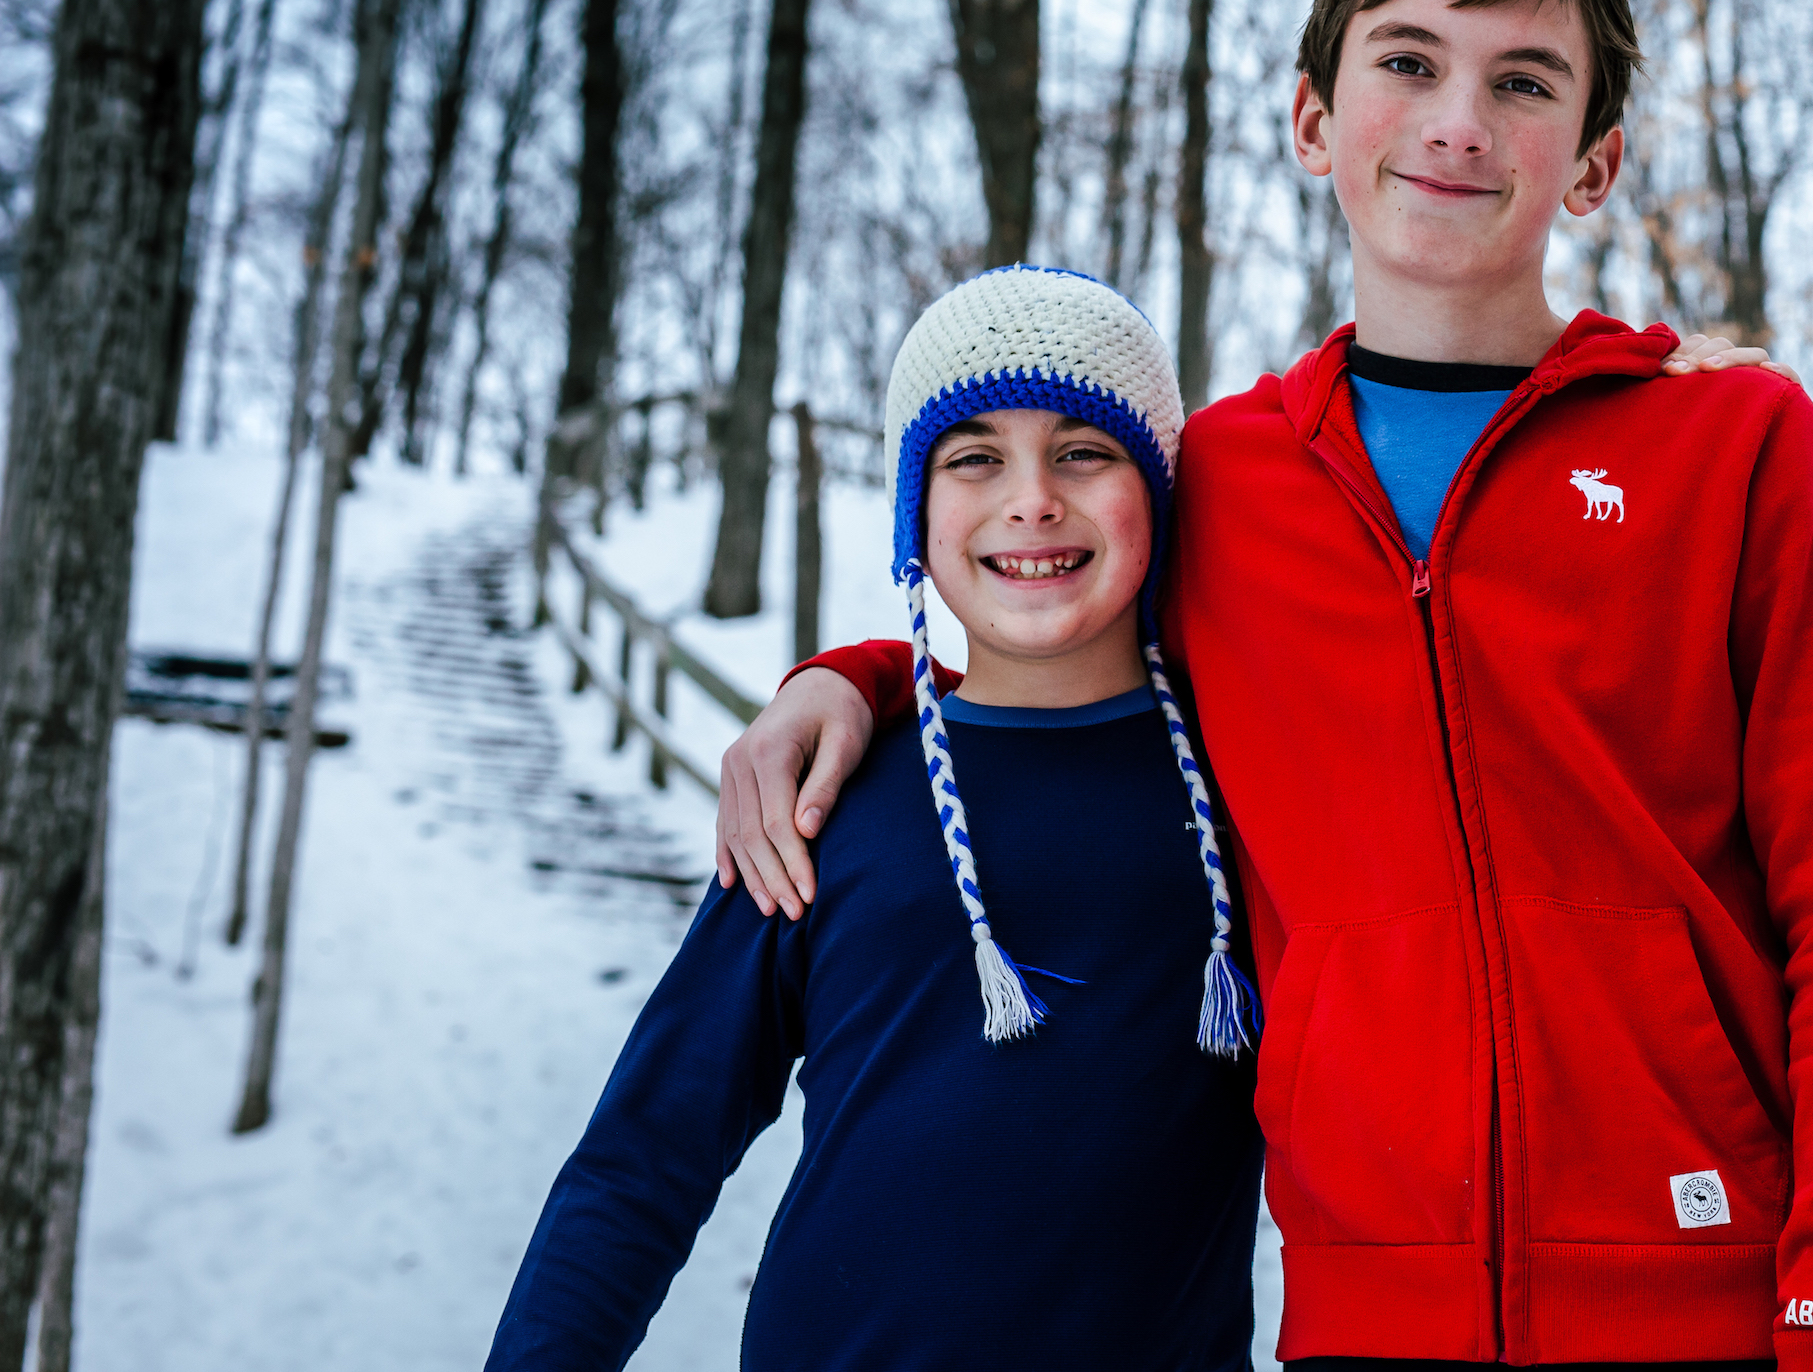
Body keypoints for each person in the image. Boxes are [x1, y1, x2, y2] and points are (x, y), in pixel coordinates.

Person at [718, 0, 1813, 1371]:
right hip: (1368, 1321)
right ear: (1315, 118)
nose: (1459, 121)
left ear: (1594, 160)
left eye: (1524, 82)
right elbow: (1051, 617)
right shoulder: (1226, 481)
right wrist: (854, 678)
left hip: (1711, 1305)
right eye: (1412, 62)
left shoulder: (1735, 448)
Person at [486, 268, 1266, 1371]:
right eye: (973, 456)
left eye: (1085, 449)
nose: (1031, 496)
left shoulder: (1250, 790)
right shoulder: (820, 794)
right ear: (916, 507)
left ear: (1159, 488)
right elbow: (645, 1154)